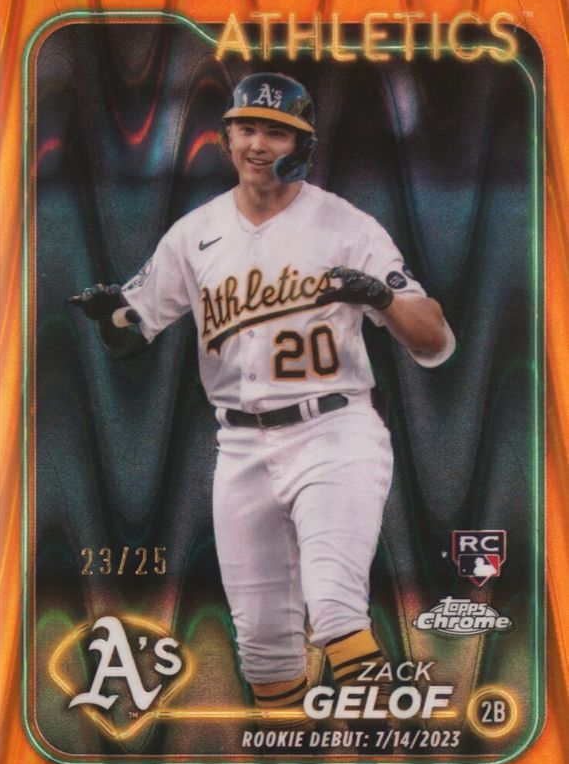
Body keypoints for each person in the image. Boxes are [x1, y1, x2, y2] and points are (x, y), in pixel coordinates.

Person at [71, 72, 455, 730]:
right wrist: (112, 323)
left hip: (333, 433)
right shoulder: (194, 233)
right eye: (246, 128)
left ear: (302, 145)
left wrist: (383, 297)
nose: (257, 143)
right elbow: (133, 332)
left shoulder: (345, 225)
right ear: (225, 139)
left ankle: (386, 752)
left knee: (334, 607)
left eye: (275, 131)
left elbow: (437, 341)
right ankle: (291, 761)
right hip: (240, 448)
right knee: (264, 652)